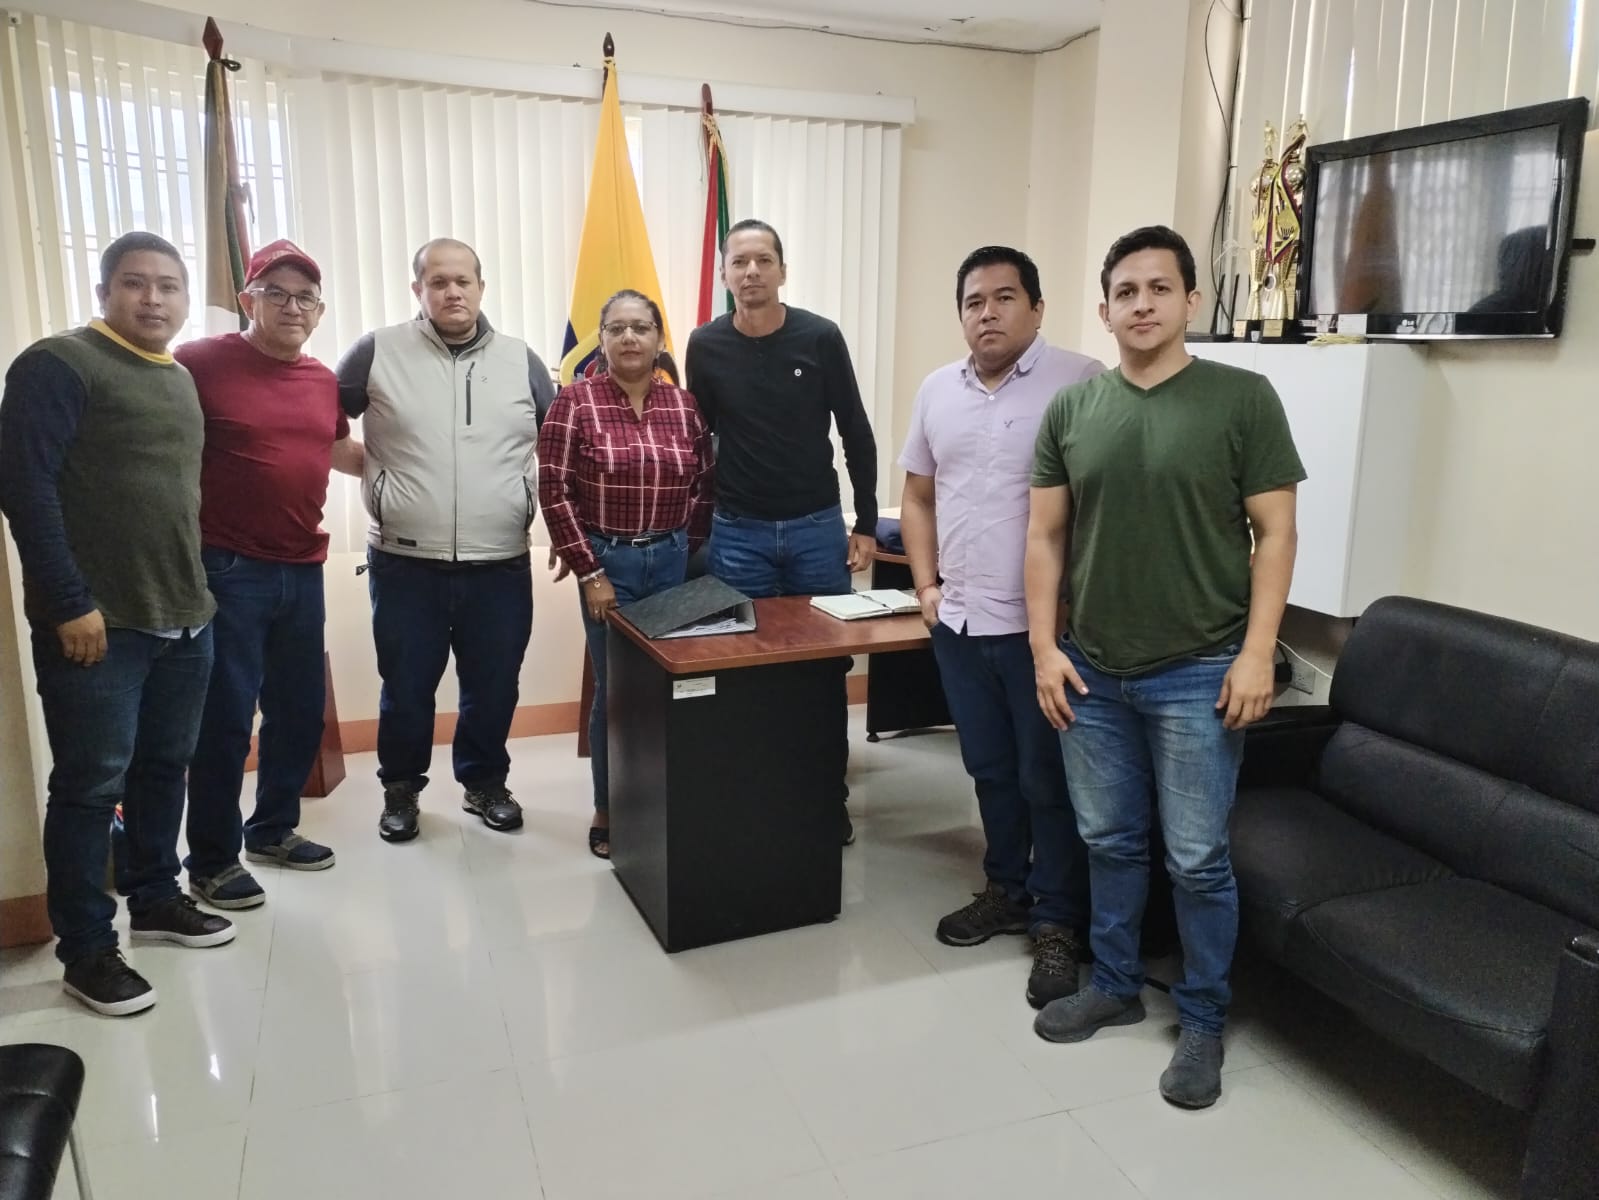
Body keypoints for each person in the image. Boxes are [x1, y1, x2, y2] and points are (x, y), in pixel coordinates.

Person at [1025, 226, 1305, 1110]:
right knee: (1108, 841)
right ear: (1103, 309)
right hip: (1091, 671)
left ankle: (1203, 1019)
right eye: (1124, 291)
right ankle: (1113, 984)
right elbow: (1044, 537)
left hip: (1199, 669)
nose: (1140, 304)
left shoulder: (1241, 398)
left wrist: (1257, 653)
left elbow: (1275, 534)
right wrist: (1043, 650)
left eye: (1158, 288)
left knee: (1195, 860)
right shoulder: (1072, 410)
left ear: (1190, 300)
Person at [0, 231, 235, 1017]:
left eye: (169, 285)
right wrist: (69, 601)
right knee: (89, 788)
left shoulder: (176, 376)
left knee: (163, 768)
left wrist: (199, 599)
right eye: (135, 283)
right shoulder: (58, 364)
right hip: (100, 625)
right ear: (105, 291)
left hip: (184, 617)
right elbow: (25, 489)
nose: (153, 298)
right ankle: (88, 951)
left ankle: (156, 897)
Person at [898, 246, 1102, 1010]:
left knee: (1046, 778)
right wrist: (925, 587)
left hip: (1039, 631)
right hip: (958, 623)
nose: (987, 313)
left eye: (1004, 297)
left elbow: (1100, 504)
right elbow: (917, 496)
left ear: (1037, 308)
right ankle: (1005, 889)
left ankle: (1057, 921)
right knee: (988, 768)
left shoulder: (1080, 382)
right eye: (973, 301)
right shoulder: (936, 390)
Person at [336, 238, 555, 843]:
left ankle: (484, 783)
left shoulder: (521, 360)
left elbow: (558, 445)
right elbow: (318, 424)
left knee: (494, 685)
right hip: (405, 563)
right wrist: (379, 476)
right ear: (418, 290)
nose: (452, 292)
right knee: (406, 688)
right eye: (438, 282)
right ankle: (401, 790)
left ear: (481, 287)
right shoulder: (377, 352)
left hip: (500, 561)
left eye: (463, 281)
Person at [178, 240, 364, 909]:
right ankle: (210, 860)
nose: (292, 307)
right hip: (227, 566)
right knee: (226, 718)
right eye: (276, 293)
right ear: (247, 300)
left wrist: (430, 464)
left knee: (298, 710)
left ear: (319, 311)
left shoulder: (320, 380)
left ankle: (273, 830)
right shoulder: (199, 362)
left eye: (305, 297)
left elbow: (338, 450)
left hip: (302, 566)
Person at [684, 219, 878, 845]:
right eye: (739, 261)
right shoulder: (705, 344)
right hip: (738, 533)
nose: (752, 272)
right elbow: (699, 441)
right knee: (743, 669)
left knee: (821, 673)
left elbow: (855, 429)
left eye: (763, 260)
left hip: (816, 530)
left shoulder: (819, 337)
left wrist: (866, 522)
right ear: (724, 274)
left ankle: (825, 798)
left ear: (782, 271)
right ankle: (754, 796)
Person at [538, 290, 713, 860]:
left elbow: (703, 485)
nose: (630, 338)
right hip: (607, 564)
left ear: (660, 338)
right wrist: (589, 571)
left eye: (641, 327)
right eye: (617, 328)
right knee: (615, 691)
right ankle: (609, 807)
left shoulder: (683, 405)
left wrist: (683, 550)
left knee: (669, 685)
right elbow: (554, 491)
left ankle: (662, 799)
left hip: (670, 561)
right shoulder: (575, 402)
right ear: (602, 339)